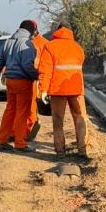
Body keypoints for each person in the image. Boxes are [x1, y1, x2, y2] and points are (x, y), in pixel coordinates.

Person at [37, 23, 88, 157]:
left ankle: (60, 151)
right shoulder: (78, 47)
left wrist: (43, 90)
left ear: (57, 31)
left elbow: (45, 71)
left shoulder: (50, 46)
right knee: (80, 118)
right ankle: (82, 149)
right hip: (77, 89)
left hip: (58, 89)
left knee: (58, 120)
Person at [0, 20, 38, 152]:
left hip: (10, 81)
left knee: (10, 111)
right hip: (23, 81)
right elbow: (27, 65)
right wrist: (36, 75)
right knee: (22, 113)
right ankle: (20, 144)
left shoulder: (8, 41)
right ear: (31, 30)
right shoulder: (27, 43)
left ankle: (1, 141)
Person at [8, 21, 47, 142]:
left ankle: (26, 133)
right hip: (26, 77)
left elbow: (47, 64)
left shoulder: (44, 44)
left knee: (30, 109)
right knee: (17, 108)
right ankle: (15, 133)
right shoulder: (23, 41)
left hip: (35, 79)